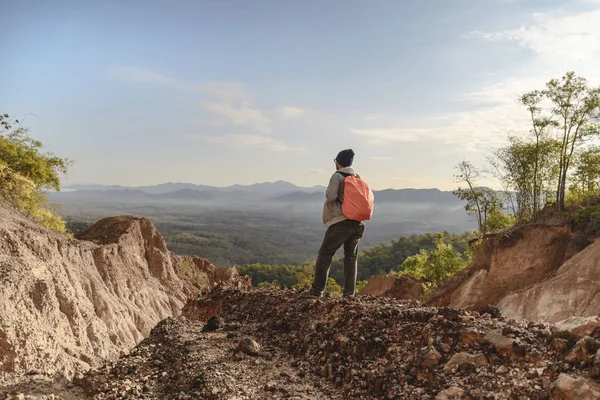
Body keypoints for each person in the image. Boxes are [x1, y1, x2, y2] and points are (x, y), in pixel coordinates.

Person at [310, 149, 366, 297]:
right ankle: (349, 294)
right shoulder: (357, 176)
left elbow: (330, 196)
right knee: (351, 258)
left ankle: (317, 291)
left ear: (338, 162)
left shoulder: (338, 176)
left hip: (341, 222)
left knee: (325, 254)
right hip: (357, 222)